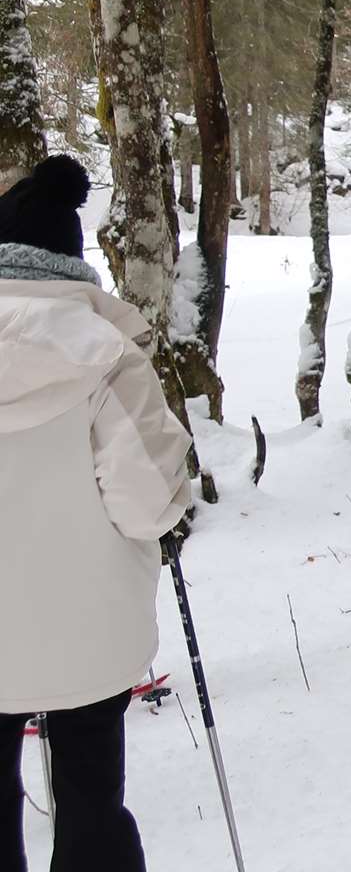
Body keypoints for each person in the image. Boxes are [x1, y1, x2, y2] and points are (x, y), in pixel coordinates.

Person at [1, 155, 192, 872]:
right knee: (90, 802)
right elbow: (146, 504)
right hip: (85, 632)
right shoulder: (107, 358)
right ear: (71, 264)